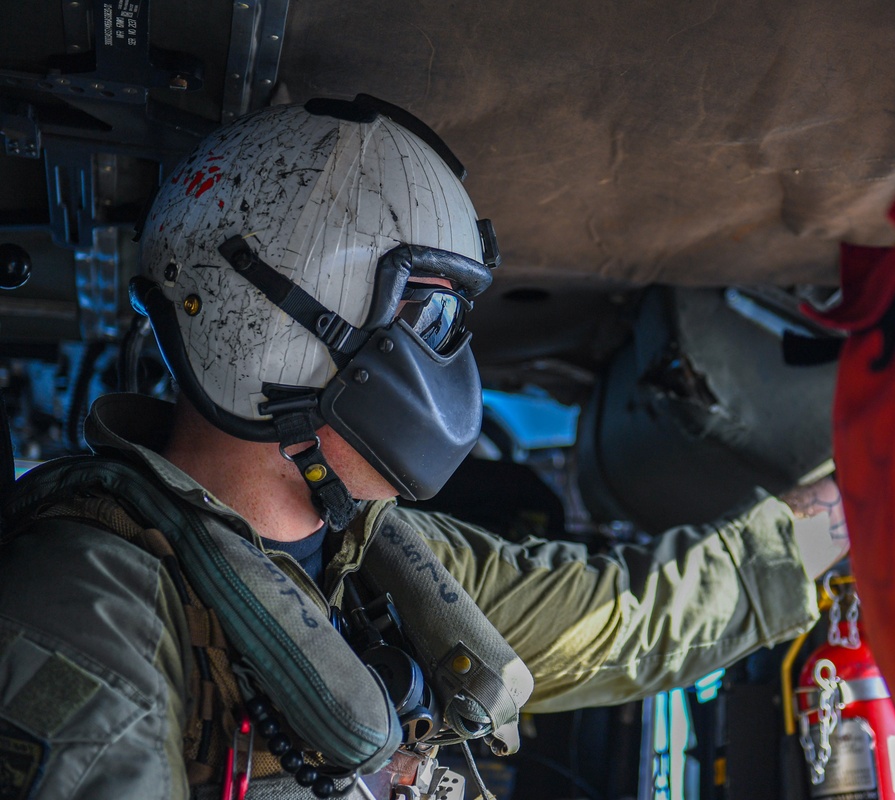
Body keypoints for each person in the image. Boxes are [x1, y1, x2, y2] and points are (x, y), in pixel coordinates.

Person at [0, 96, 847, 800]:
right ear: (271, 324)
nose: (451, 361)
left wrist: (857, 508)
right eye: (429, 318)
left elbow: (626, 618)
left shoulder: (373, 559)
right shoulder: (84, 609)